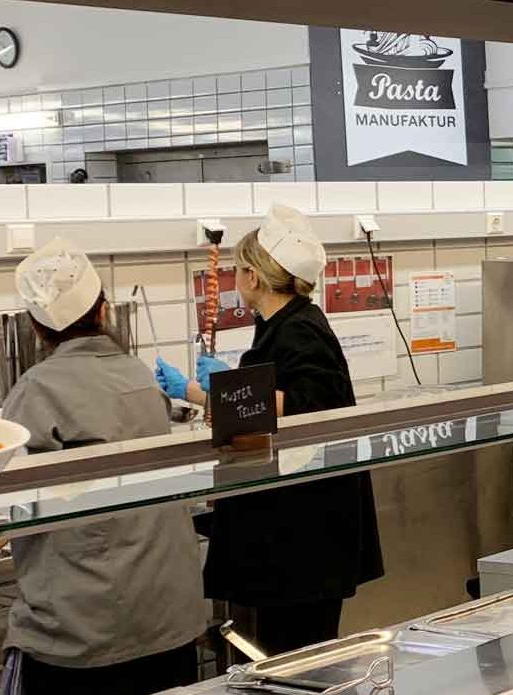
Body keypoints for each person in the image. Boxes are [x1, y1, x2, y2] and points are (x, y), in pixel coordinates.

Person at [0, 239, 208, 695]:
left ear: (35, 328)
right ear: (104, 310)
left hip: (86, 636)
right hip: (169, 621)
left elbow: (11, 507)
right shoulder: (138, 376)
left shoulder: (35, 391)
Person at [158, 204, 383, 654]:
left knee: (299, 658)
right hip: (294, 533)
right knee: (289, 654)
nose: (234, 279)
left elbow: (307, 406)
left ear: (254, 277)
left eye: (238, 270)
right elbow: (268, 406)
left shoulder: (300, 330)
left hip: (304, 538)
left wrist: (215, 389)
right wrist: (201, 393)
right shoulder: (281, 325)